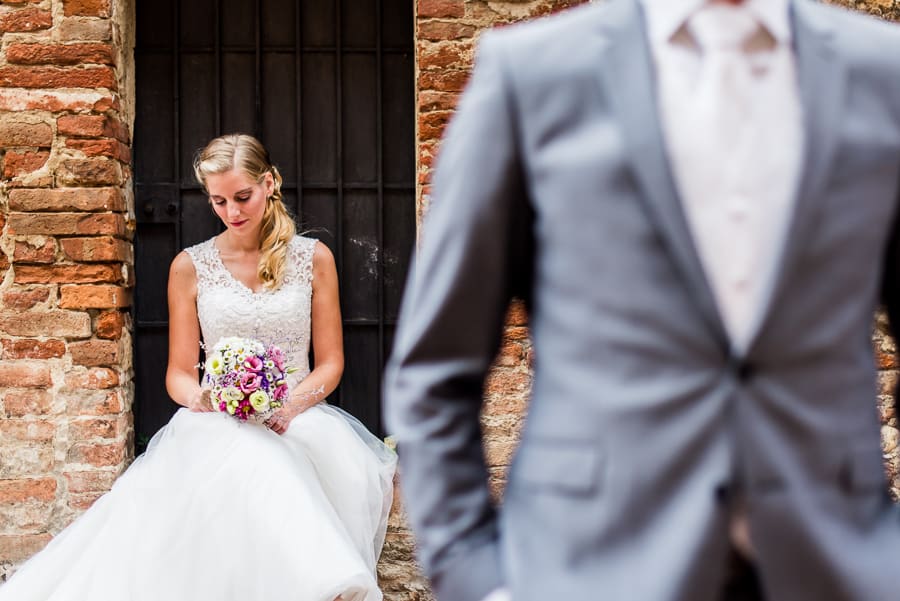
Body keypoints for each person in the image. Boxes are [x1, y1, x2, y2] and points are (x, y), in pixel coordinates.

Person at [383, 1, 900, 600]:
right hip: (588, 570)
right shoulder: (533, 76)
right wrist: (478, 580)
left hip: (837, 571)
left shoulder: (882, 71)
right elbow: (436, 369)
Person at [0, 134, 397, 601]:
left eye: (243, 196)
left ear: (269, 184)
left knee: (280, 457)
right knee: (243, 456)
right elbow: (179, 374)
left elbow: (330, 363)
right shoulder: (191, 266)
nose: (233, 212)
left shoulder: (314, 259)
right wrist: (205, 397)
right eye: (220, 201)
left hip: (298, 414)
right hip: (216, 417)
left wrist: (289, 408)